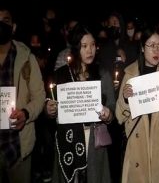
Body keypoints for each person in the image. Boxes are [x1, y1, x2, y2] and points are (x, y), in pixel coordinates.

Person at [45, 24, 114, 183]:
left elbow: (112, 107)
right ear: (76, 48)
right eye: (84, 46)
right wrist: (48, 109)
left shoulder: (102, 74)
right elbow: (50, 102)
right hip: (68, 141)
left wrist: (108, 114)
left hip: (93, 143)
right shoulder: (62, 74)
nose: (90, 50)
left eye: (93, 45)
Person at [115, 26, 159, 183]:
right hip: (138, 147)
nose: (156, 50)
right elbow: (119, 115)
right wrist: (125, 99)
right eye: (151, 45)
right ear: (141, 47)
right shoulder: (130, 75)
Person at [0, 8, 46, 183]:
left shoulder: (27, 58)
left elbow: (39, 96)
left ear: (13, 27)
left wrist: (26, 113)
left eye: (5, 21)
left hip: (18, 147)